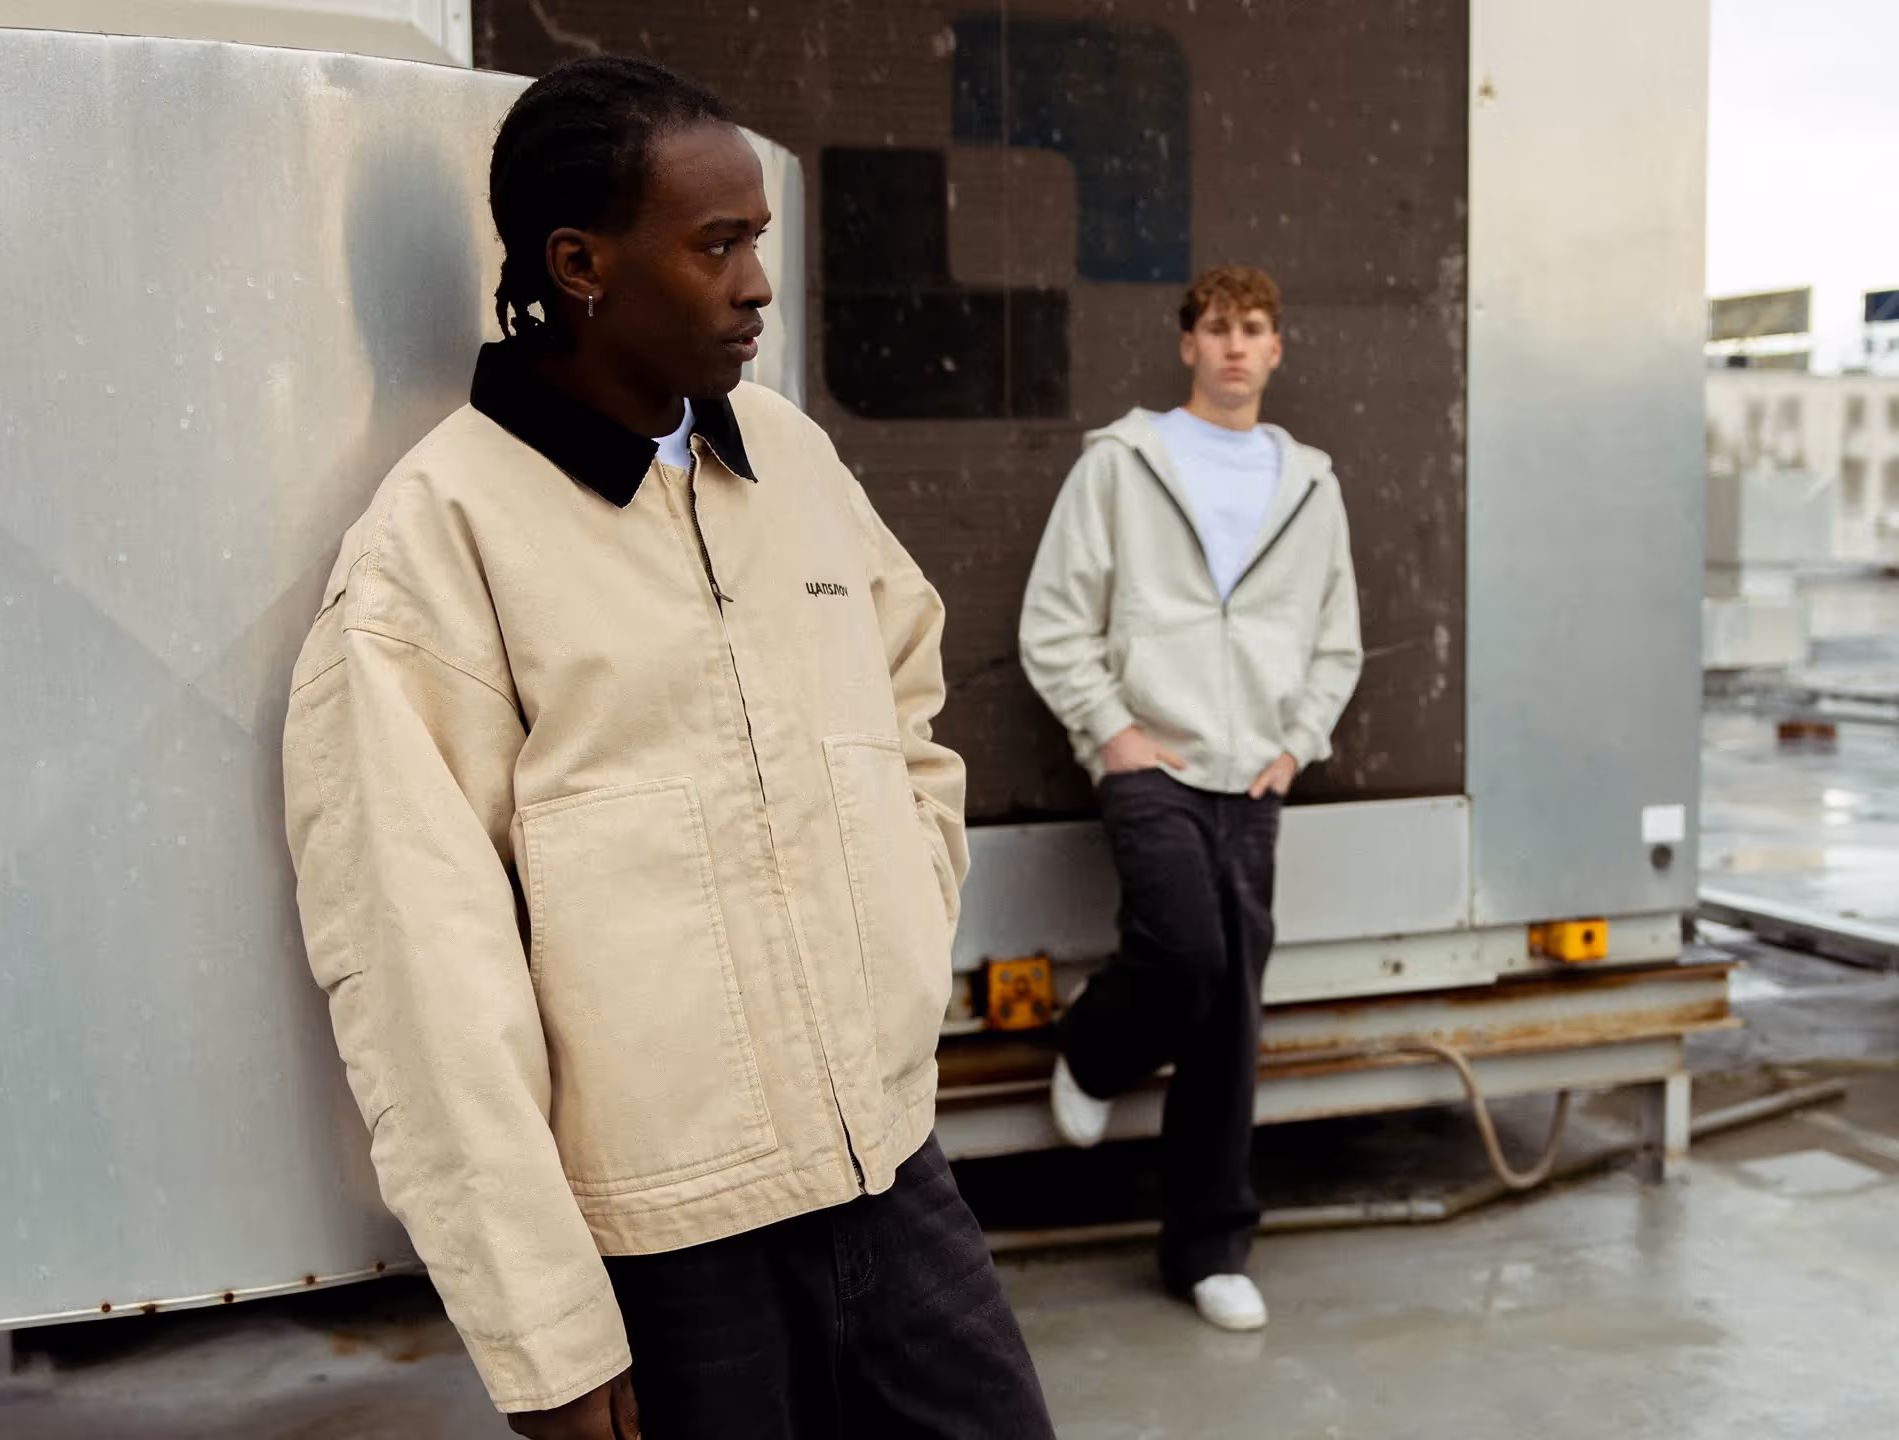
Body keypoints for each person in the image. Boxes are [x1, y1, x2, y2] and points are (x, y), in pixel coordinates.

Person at [283, 57, 1054, 1440]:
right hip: (674, 1251)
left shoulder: (793, 461)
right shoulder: (439, 541)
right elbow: (420, 977)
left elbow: (904, 711)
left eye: (758, 239)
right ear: (580, 265)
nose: (758, 286)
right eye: (716, 246)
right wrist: (547, 1334)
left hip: (893, 1177)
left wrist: (895, 940)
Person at [1017, 264, 1362, 1334]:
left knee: (1230, 1011)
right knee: (1186, 957)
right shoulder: (1124, 464)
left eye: (1253, 328)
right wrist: (1112, 732)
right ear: (1187, 345)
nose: (1234, 345)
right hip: (1151, 762)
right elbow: (1054, 618)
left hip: (1253, 772)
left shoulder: (1310, 482)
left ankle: (1208, 1252)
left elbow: (1337, 639)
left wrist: (1297, 746)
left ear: (1277, 347)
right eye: (1216, 328)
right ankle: (1095, 1048)